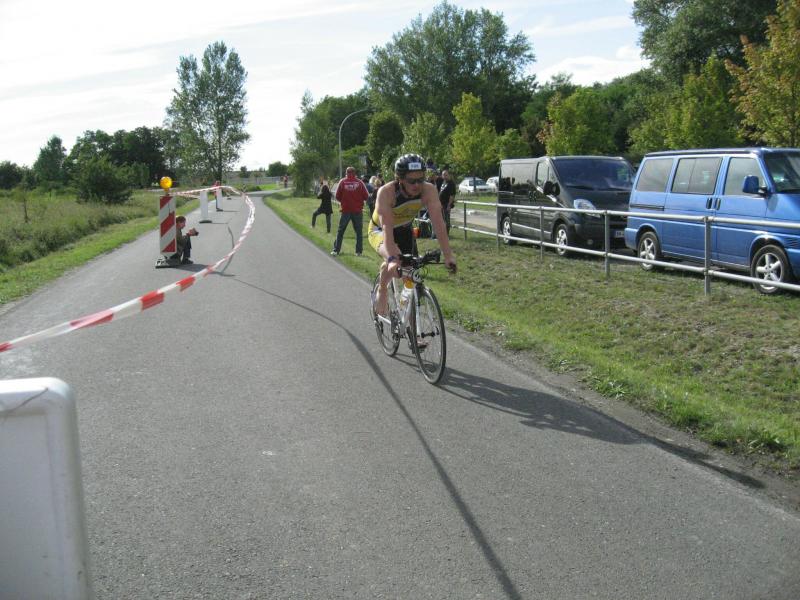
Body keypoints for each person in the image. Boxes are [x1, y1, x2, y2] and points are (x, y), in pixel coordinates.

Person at [370, 153, 456, 316]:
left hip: (404, 230)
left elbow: (439, 224)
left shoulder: (428, 190)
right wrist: (392, 259)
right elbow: (387, 227)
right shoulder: (386, 192)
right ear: (400, 179)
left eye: (420, 179)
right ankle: (382, 290)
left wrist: (448, 255)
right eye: (411, 181)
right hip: (380, 230)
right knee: (394, 258)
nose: (417, 185)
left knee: (410, 277)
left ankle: (409, 322)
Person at [331, 166, 369, 256]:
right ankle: (358, 252)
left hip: (345, 210)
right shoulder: (360, 183)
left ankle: (336, 250)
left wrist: (344, 201)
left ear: (346, 173)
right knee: (358, 232)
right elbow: (366, 196)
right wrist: (358, 201)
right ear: (355, 173)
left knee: (341, 231)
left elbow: (337, 196)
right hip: (357, 211)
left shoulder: (342, 182)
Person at [438, 169, 457, 234]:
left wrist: (449, 205)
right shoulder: (443, 182)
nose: (444, 176)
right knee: (441, 220)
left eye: (446, 175)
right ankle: (442, 233)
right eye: (443, 175)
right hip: (441, 204)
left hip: (446, 204)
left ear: (449, 175)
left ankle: (446, 234)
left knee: (446, 220)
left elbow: (452, 195)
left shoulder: (451, 183)